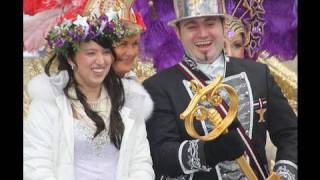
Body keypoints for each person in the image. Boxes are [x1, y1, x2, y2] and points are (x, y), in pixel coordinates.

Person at [142, 0, 297, 179]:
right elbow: (160, 156)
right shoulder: (158, 87)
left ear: (223, 26)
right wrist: (208, 151)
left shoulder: (258, 73)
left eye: (210, 23)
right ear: (178, 32)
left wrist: (285, 175)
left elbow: (291, 134)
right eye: (191, 26)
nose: (202, 34)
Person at [23, 13, 155, 180]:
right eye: (91, 53)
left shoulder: (128, 100)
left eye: (106, 52)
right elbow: (35, 165)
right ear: (71, 58)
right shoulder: (48, 103)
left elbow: (140, 163)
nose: (101, 61)